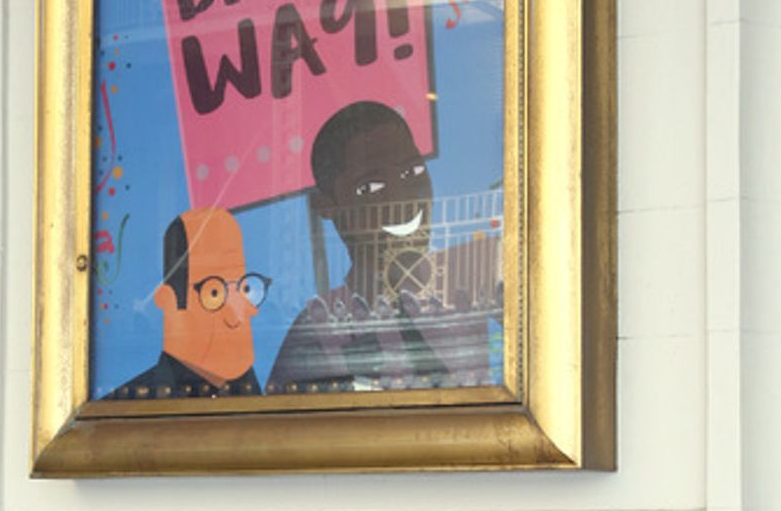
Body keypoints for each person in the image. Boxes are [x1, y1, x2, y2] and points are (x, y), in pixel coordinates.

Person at [267, 100, 498, 393]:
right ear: (326, 206)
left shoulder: (470, 278)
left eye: (412, 173)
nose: (402, 198)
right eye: (370, 188)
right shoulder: (317, 330)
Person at [104, 206, 269, 399]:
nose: (238, 315)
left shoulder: (264, 401)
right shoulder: (124, 408)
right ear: (168, 302)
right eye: (214, 293)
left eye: (244, 290)